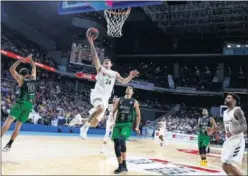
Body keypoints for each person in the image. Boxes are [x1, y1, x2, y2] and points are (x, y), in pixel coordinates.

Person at [80, 33, 139, 139]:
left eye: (108, 62)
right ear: (103, 64)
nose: (106, 63)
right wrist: (91, 42)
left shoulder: (114, 73)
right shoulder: (100, 69)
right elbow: (95, 56)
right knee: (101, 108)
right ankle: (84, 128)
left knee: (95, 123)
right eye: (104, 62)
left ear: (111, 64)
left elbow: (124, 81)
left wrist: (130, 76)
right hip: (97, 94)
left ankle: (79, 120)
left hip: (105, 98)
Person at [1, 55, 36, 152]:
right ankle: (9, 145)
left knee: (8, 121)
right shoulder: (33, 78)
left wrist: (19, 61)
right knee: (18, 125)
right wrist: (31, 60)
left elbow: (12, 69)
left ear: (21, 75)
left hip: (21, 102)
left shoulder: (21, 80)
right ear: (28, 74)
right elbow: (34, 67)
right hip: (29, 105)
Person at [110, 86, 141, 174]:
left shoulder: (134, 102)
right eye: (127, 88)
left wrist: (137, 126)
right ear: (125, 91)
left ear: (132, 92)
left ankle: (124, 163)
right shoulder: (119, 100)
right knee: (117, 143)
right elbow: (113, 111)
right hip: (118, 124)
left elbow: (138, 116)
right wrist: (112, 121)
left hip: (127, 124)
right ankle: (121, 166)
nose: (128, 89)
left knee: (121, 139)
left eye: (130, 89)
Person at [221, 93, 247, 175]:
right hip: (228, 141)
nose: (226, 99)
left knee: (227, 165)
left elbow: (244, 126)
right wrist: (215, 129)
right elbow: (225, 126)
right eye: (226, 98)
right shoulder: (225, 112)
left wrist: (232, 132)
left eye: (228, 98)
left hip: (237, 141)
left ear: (234, 100)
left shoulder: (237, 110)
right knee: (224, 166)